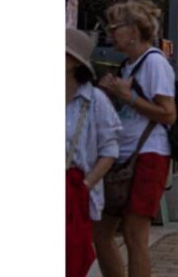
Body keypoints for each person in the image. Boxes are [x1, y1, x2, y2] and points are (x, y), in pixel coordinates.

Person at [94, 1, 177, 277]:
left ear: (133, 30)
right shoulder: (128, 65)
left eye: (115, 27)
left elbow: (168, 114)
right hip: (124, 154)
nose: (110, 33)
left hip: (149, 154)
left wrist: (127, 96)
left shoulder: (154, 62)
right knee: (101, 230)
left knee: (134, 233)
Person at [66, 27, 121, 277]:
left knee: (72, 254)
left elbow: (109, 149)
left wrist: (85, 185)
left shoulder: (95, 100)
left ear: (73, 62)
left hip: (75, 189)